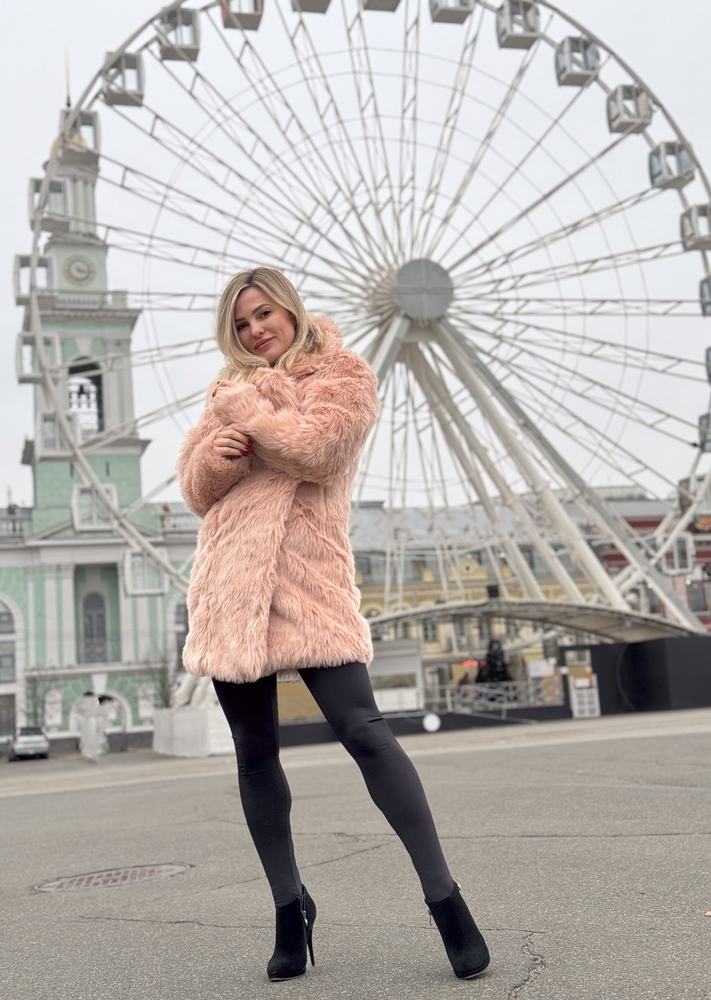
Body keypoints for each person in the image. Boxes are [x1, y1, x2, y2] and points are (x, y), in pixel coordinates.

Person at [178, 268, 489, 982]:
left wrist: (250, 419)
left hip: (307, 576)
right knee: (255, 752)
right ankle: (290, 907)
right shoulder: (225, 392)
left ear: (290, 310)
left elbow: (320, 451)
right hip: (230, 585)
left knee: (366, 732)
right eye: (241, 323)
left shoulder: (342, 374)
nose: (256, 330)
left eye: (264, 314)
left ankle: (444, 898)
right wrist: (213, 458)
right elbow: (196, 492)